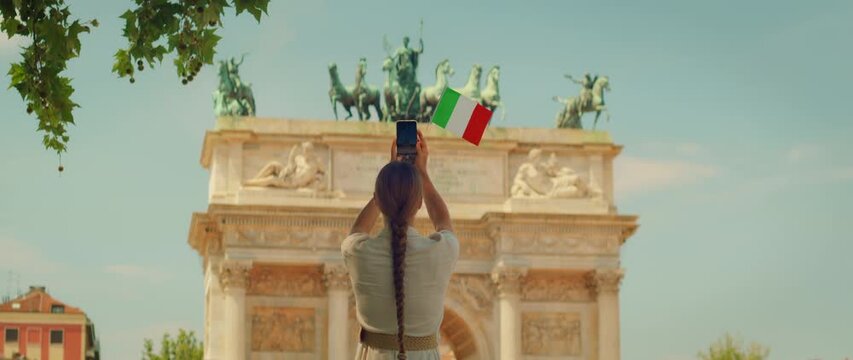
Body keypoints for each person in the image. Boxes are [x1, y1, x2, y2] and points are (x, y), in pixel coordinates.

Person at [342, 130, 459, 360]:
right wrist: (422, 173)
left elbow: (357, 231)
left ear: (380, 199)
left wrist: (388, 182)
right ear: (419, 204)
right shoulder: (441, 251)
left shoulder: (357, 252)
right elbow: (443, 221)